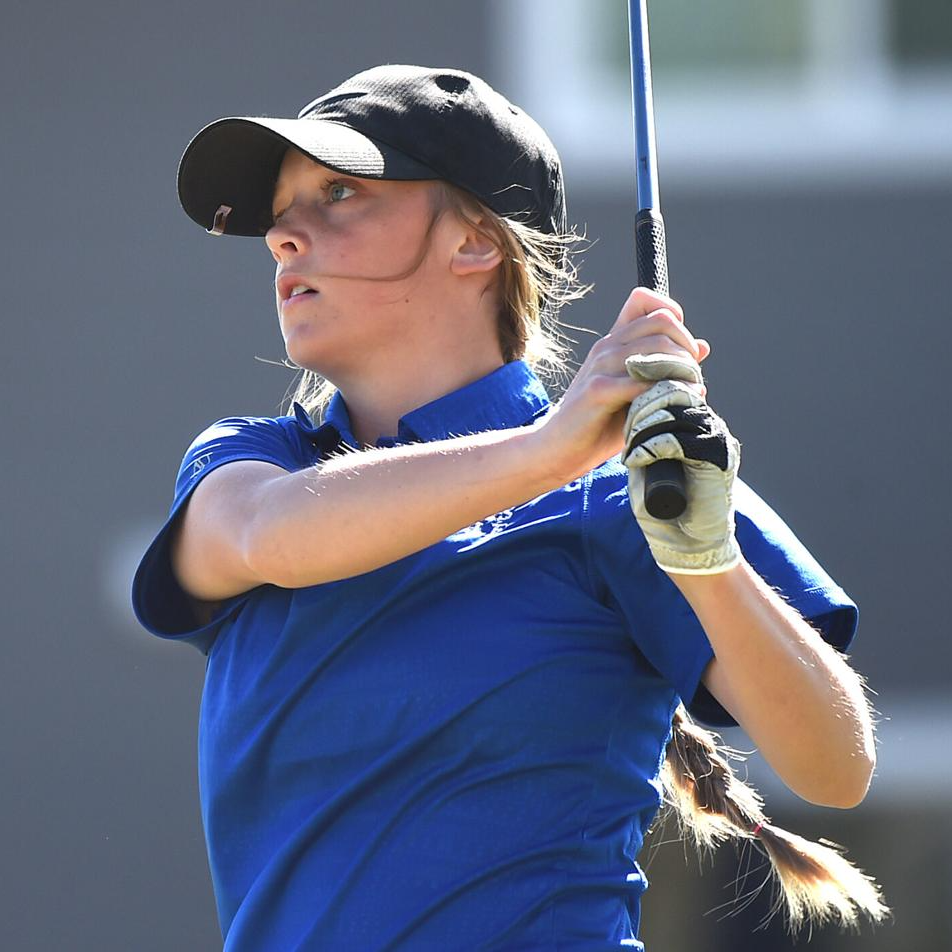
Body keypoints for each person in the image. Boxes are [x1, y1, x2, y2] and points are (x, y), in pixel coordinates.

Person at [132, 64, 887, 951]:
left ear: (476, 243)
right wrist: (552, 448)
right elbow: (269, 536)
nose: (283, 237)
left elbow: (835, 766)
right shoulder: (256, 460)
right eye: (280, 209)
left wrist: (706, 564)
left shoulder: (628, 489)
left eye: (337, 193)